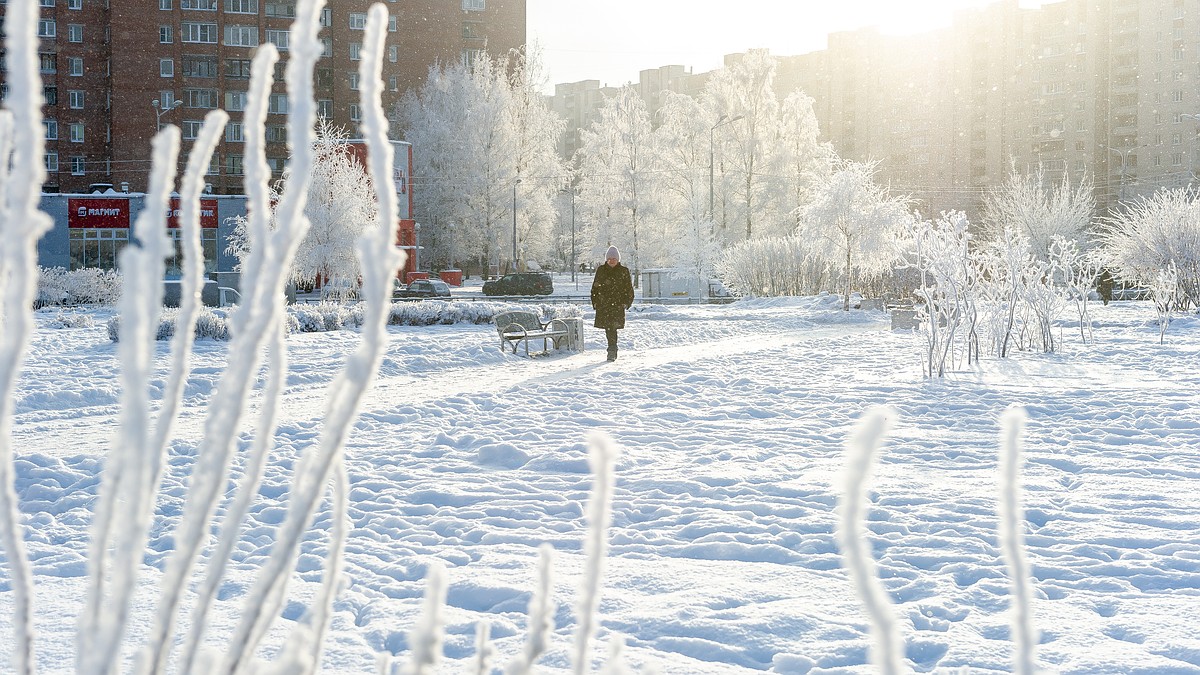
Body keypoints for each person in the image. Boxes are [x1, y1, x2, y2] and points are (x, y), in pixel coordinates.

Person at [591, 245, 634, 361]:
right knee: (608, 328)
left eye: (614, 259)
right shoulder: (601, 270)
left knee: (612, 328)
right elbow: (595, 287)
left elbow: (629, 288)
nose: (611, 261)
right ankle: (612, 348)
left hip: (617, 304)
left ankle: (612, 349)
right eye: (609, 259)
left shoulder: (623, 271)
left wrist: (626, 302)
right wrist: (595, 302)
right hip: (603, 304)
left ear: (618, 259)